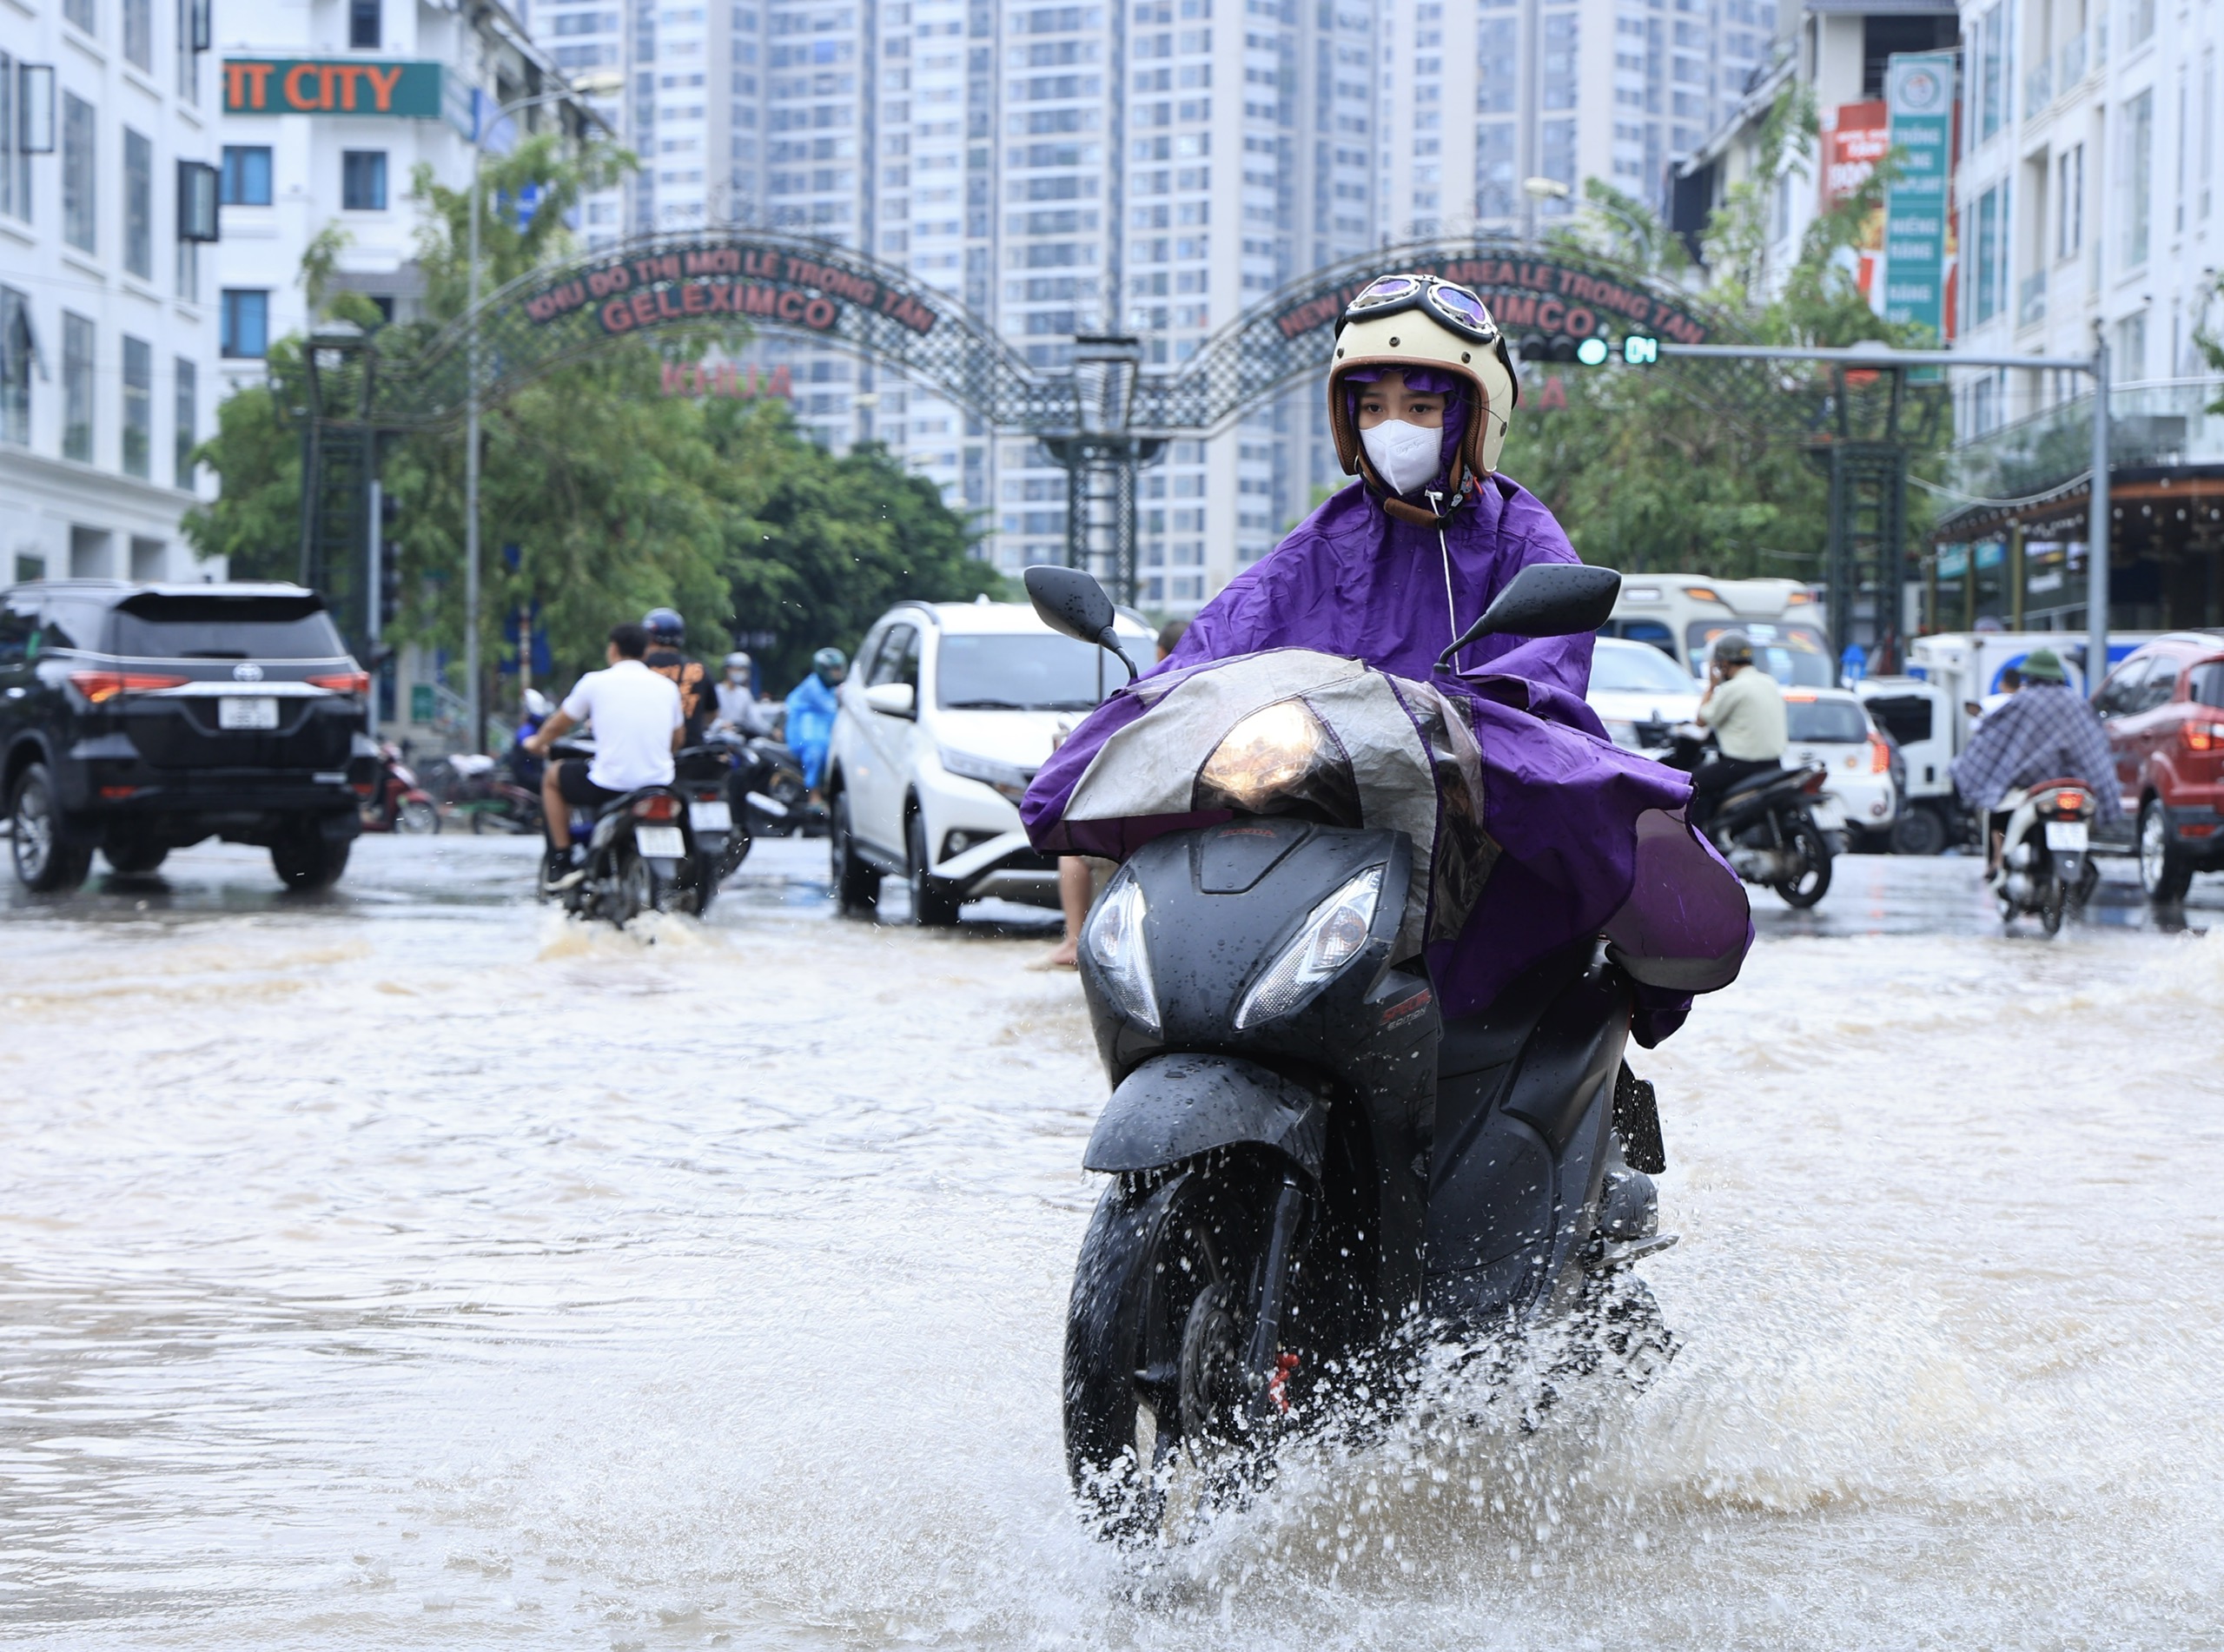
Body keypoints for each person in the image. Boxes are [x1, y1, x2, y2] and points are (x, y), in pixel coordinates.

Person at [1021, 271, 1750, 1043]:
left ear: (1472, 417)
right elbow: (1226, 634)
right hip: (1327, 798)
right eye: (1372, 407)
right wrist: (1143, 707)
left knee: (1609, 826)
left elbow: (1545, 675)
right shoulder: (1326, 537)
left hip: (1474, 790)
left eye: (1421, 407)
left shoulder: (1523, 538)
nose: (1391, 426)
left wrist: (1458, 714)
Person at [1042, 618, 1190, 968]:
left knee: (1074, 852)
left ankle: (1074, 942)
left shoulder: (1145, 695)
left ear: (1159, 653)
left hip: (1146, 825)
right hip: (1203, 823)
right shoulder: (1226, 692)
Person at [522, 621, 685, 891]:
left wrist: (537, 743)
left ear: (613, 650)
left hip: (610, 785)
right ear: (645, 653)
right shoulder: (667, 687)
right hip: (659, 785)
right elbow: (677, 740)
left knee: (552, 777)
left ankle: (561, 860)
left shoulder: (595, 682)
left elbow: (557, 725)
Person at [1950, 646, 2121, 872]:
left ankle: (1998, 863)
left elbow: (1994, 740)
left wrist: (1964, 766)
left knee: (1998, 810)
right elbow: (2096, 748)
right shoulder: (2078, 703)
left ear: (2030, 675)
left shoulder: (2023, 702)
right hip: (2077, 786)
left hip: (2032, 786)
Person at [1687, 630, 1788, 831]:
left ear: (1723, 663)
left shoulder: (1733, 688)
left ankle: (1697, 846)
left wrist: (1711, 686)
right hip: (1775, 764)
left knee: (1689, 785)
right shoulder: (1769, 682)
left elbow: (1701, 720)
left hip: (1741, 766)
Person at [784, 646, 846, 801]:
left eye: (839, 669)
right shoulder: (813, 686)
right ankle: (814, 794)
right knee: (817, 749)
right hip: (802, 731)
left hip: (822, 728)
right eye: (834, 669)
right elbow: (833, 709)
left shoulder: (832, 688)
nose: (838, 673)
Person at [643, 607, 714, 741]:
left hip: (652, 751)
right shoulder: (699, 669)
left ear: (649, 638)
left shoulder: (641, 668)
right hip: (693, 754)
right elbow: (712, 715)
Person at [714, 651, 776, 737]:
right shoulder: (716, 691)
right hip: (716, 737)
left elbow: (755, 719)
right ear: (728, 669)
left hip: (737, 739)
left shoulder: (744, 694)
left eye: (743, 670)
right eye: (737, 669)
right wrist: (721, 725)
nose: (740, 673)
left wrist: (771, 731)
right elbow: (707, 717)